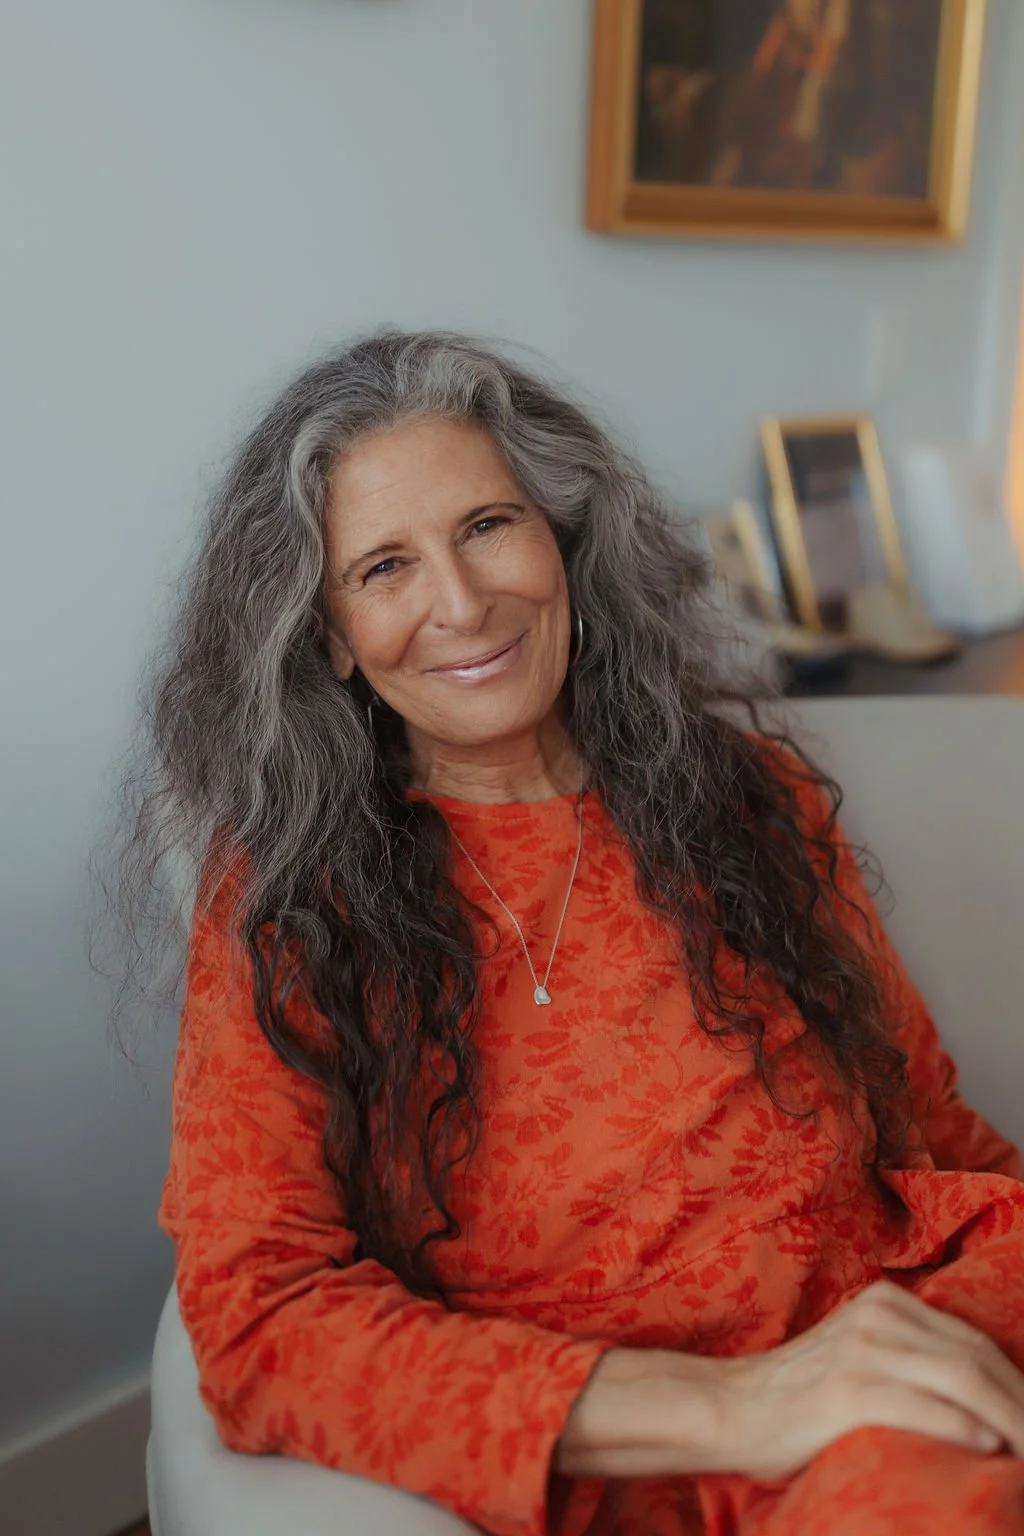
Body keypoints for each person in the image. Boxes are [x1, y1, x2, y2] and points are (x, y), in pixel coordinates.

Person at [123, 330, 1024, 1536]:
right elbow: (260, 1315)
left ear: (562, 538)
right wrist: (743, 1405)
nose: (460, 601)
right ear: (328, 633)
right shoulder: (291, 900)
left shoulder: (743, 790)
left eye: (489, 525)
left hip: (909, 1358)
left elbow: (928, 1128)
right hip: (689, 1464)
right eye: (383, 567)